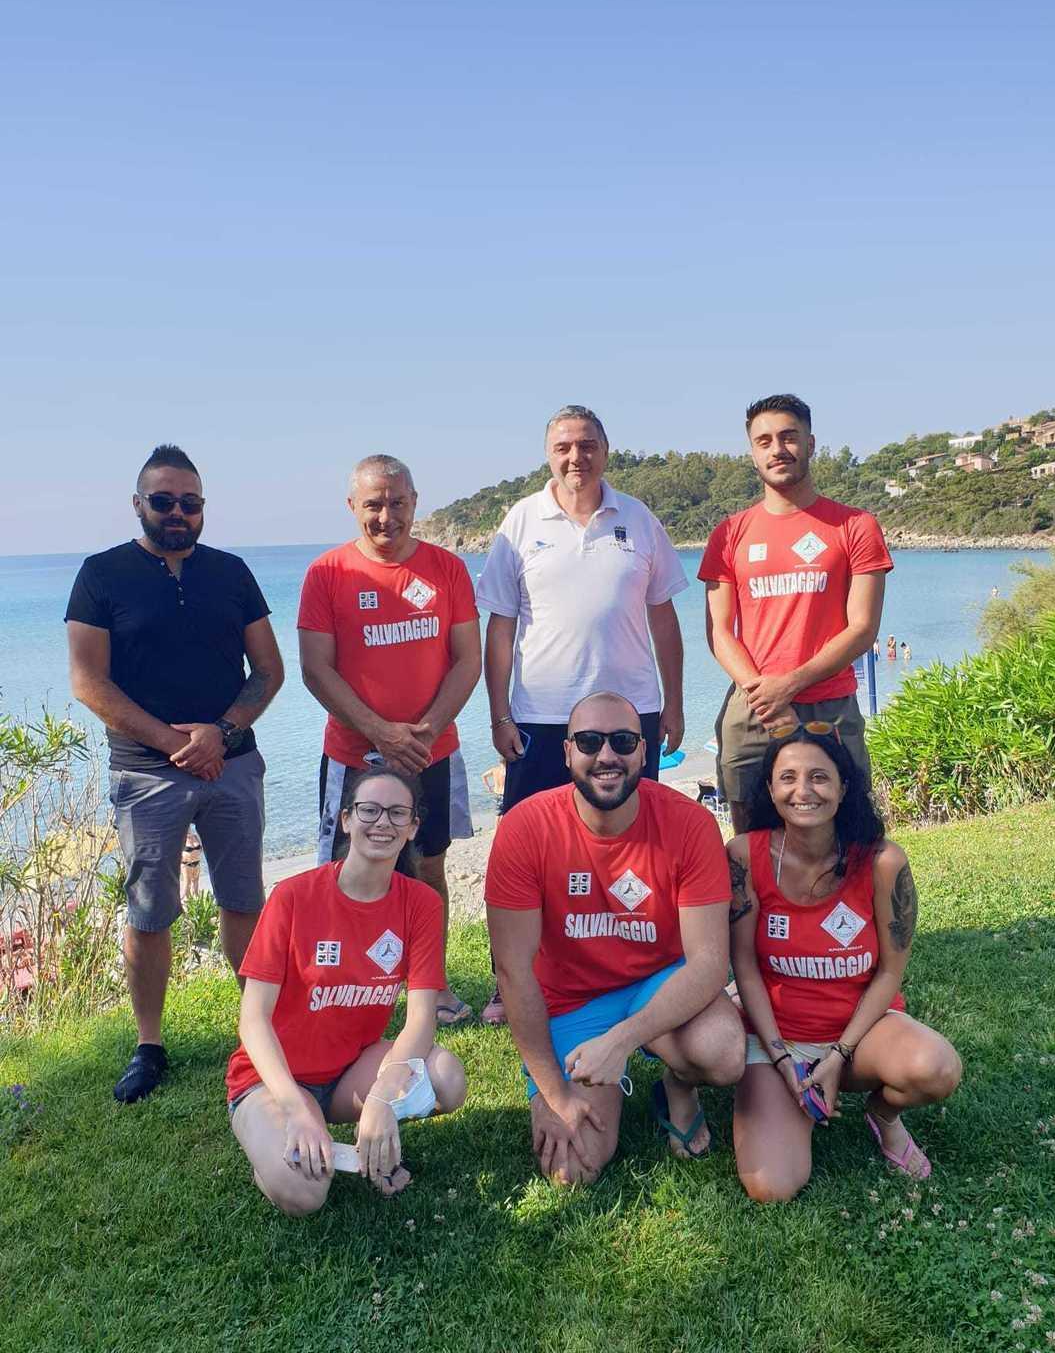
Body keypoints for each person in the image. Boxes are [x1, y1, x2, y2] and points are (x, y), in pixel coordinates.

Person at [66, 445, 284, 1103]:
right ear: (139, 505)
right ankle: (149, 1043)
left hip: (233, 766)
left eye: (190, 502)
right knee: (150, 910)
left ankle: (261, 1031)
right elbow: (87, 682)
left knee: (244, 900)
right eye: (164, 501)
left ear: (202, 508)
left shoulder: (233, 573)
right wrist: (173, 743)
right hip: (146, 776)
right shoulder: (101, 575)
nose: (178, 512)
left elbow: (270, 671)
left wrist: (219, 734)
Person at [476, 406, 688, 1023]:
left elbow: (664, 617)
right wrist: (497, 712)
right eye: (564, 446)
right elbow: (501, 626)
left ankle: (641, 963)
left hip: (631, 716)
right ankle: (507, 978)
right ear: (549, 454)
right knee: (525, 850)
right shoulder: (520, 521)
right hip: (542, 717)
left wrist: (673, 702)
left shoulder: (639, 519)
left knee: (638, 847)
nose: (577, 457)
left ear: (605, 450)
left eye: (587, 445)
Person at [486, 692, 744, 1185]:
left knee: (724, 1053)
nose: (607, 755)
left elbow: (709, 963)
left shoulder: (689, 824)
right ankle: (577, 1079)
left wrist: (621, 1041)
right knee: (572, 1169)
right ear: (567, 754)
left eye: (623, 742)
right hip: (569, 1004)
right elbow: (513, 973)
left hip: (657, 982)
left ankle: (678, 1086)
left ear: (644, 753)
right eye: (589, 741)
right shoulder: (525, 828)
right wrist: (551, 1094)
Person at [728, 730, 961, 1200]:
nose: (804, 790)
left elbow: (890, 973)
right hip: (778, 1039)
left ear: (844, 788)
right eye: (788, 778)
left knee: (936, 1068)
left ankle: (882, 1115)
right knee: (770, 1187)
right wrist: (780, 1058)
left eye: (819, 777)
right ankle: (783, 1101)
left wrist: (836, 1058)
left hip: (860, 1036)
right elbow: (745, 968)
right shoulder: (743, 857)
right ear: (771, 790)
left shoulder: (882, 862)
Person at [226, 768, 467, 1216]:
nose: (382, 823)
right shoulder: (293, 897)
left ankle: (359, 1135)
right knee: (305, 1193)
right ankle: (275, 1147)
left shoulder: (420, 904)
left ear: (413, 826)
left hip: (350, 1073)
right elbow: (253, 1020)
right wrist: (295, 1106)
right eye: (369, 810)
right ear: (345, 820)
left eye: (397, 813)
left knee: (447, 1078)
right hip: (270, 1079)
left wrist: (382, 1097)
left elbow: (421, 1019)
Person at [298, 454, 481, 1028]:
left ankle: (434, 986)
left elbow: (467, 660)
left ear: (414, 502)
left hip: (434, 752)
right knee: (346, 872)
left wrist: (422, 733)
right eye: (373, 504)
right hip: (351, 756)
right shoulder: (327, 573)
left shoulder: (446, 569)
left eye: (397, 503)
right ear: (353, 506)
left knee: (428, 869)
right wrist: (380, 732)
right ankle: (342, 990)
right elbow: (315, 670)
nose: (386, 516)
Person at [700, 395, 893, 831]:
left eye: (789, 437)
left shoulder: (855, 526)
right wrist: (763, 695)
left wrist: (789, 685)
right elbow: (719, 630)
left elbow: (862, 629)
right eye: (764, 440)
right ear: (752, 453)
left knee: (851, 831)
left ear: (811, 443)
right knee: (750, 840)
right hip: (753, 707)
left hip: (830, 705)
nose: (777, 449)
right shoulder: (729, 533)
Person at [181, 830, 202, 905]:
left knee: (196, 887)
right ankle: (185, 904)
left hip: (197, 864)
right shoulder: (181, 837)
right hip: (187, 865)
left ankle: (196, 907)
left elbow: (201, 849)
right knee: (187, 885)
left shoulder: (195, 836)